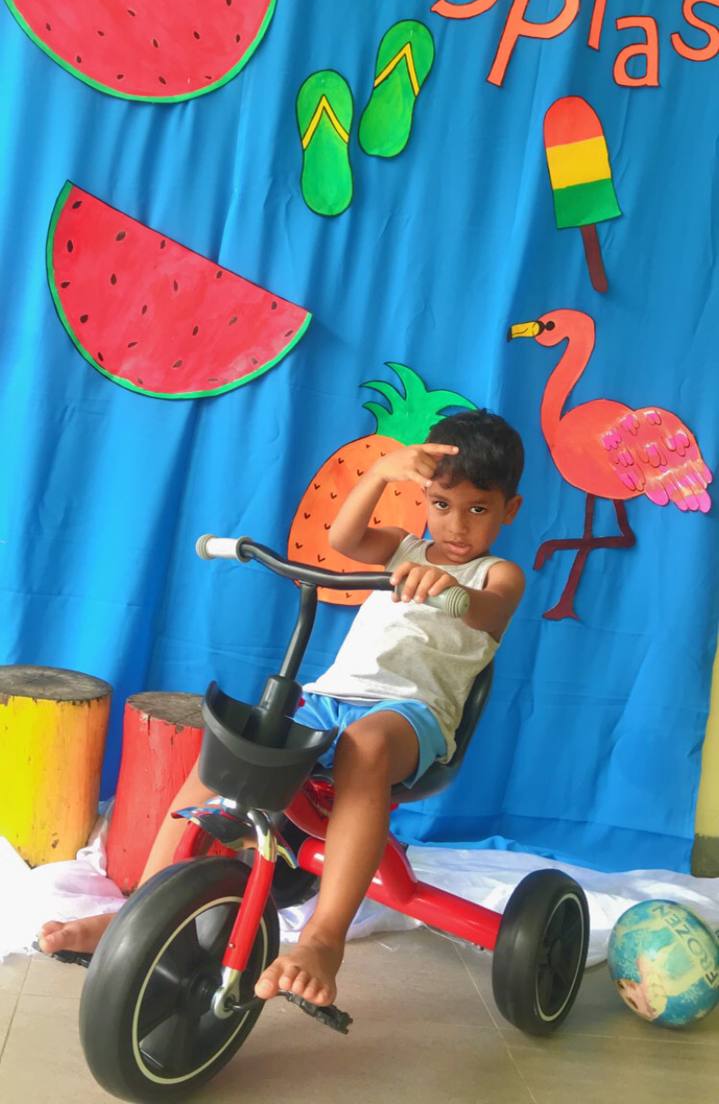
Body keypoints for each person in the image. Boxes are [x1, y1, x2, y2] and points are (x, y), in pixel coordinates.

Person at [39, 409, 525, 1010]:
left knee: (366, 746)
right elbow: (343, 541)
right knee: (229, 747)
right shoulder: (404, 548)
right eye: (443, 504)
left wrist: (451, 590)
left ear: (509, 510)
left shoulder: (497, 573)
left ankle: (323, 939)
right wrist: (378, 472)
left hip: (411, 718)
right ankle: (135, 910)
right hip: (328, 702)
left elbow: (489, 610)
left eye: (478, 509)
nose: (457, 525)